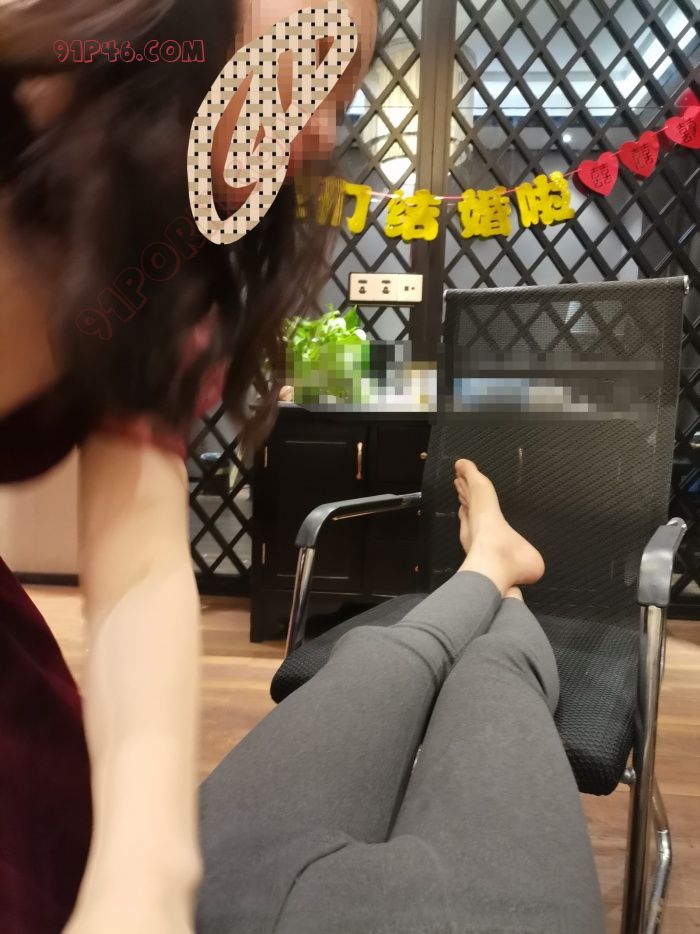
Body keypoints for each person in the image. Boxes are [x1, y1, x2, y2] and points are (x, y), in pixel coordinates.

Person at [0, 0, 378, 931]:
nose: (321, 134)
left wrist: (152, 864)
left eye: (342, 97)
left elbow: (140, 555)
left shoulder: (156, 260)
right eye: (314, 65)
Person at [196, 459, 606, 934]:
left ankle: (492, 565)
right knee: (493, 667)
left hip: (212, 896)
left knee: (377, 654)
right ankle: (502, 583)